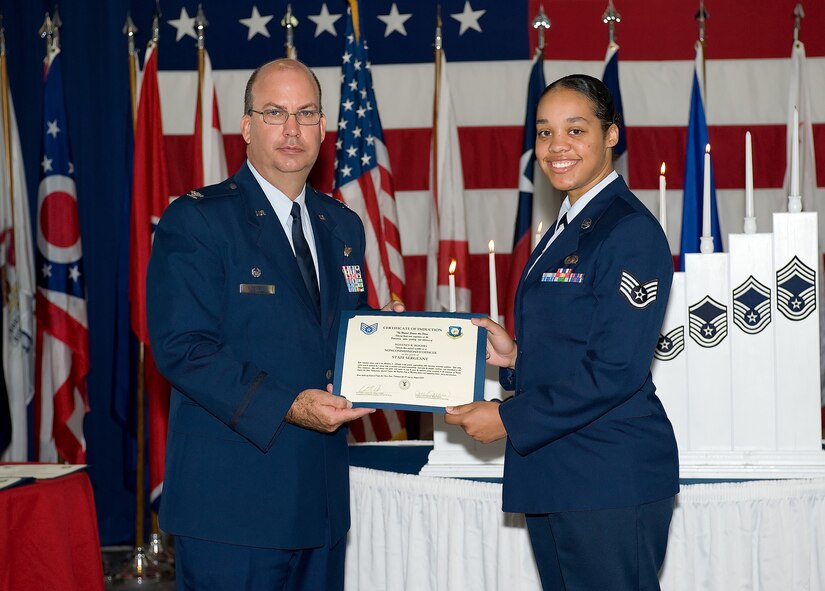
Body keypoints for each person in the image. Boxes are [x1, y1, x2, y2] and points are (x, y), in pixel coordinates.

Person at [147, 59, 400, 590]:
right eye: (274, 113)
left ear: (322, 128)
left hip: (321, 505)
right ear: (246, 126)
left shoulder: (341, 225)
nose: (291, 129)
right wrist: (289, 405)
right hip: (232, 508)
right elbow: (183, 348)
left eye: (305, 113)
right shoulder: (198, 220)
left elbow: (335, 332)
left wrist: (393, 339)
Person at [445, 74, 679, 590]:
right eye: (545, 132)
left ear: (611, 134)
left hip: (607, 476)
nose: (557, 147)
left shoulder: (628, 230)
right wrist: (516, 358)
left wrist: (508, 418)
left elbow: (616, 370)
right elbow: (576, 344)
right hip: (559, 472)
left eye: (575, 130)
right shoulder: (568, 225)